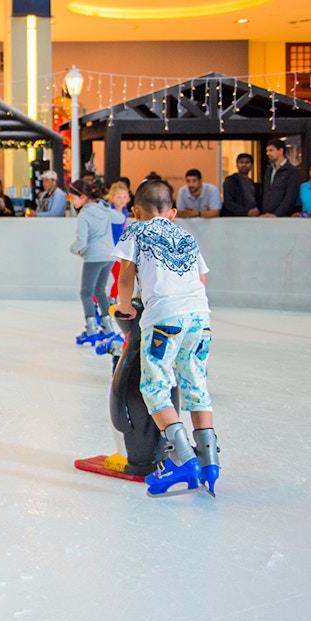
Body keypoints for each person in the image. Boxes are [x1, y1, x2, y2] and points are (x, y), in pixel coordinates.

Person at [114, 179, 218, 497]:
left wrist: (124, 304)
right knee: (195, 382)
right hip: (200, 316)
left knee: (154, 386)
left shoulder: (136, 230)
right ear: (171, 212)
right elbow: (201, 278)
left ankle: (183, 457)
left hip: (165, 318)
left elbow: (126, 272)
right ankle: (210, 459)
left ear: (136, 210)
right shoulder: (186, 235)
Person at [67, 180, 117, 345]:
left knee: (86, 292)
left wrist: (73, 249)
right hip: (109, 255)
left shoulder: (84, 215)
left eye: (73, 198)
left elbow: (81, 241)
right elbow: (121, 217)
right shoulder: (103, 210)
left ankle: (91, 328)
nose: (71, 201)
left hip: (94, 257)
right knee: (100, 290)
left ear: (82, 197)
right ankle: (108, 327)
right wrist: (106, 206)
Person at [259, 139, 300, 218]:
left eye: (271, 150)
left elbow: (290, 196)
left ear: (281, 151)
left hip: (282, 217)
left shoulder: (291, 171)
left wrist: (277, 214)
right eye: (267, 151)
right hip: (266, 215)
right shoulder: (269, 170)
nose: (268, 153)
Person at [221, 153, 259, 217]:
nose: (244, 165)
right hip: (235, 218)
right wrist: (246, 212)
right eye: (241, 162)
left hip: (252, 218)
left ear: (251, 166)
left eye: (247, 162)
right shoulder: (230, 181)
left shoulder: (252, 183)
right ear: (237, 165)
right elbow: (228, 202)